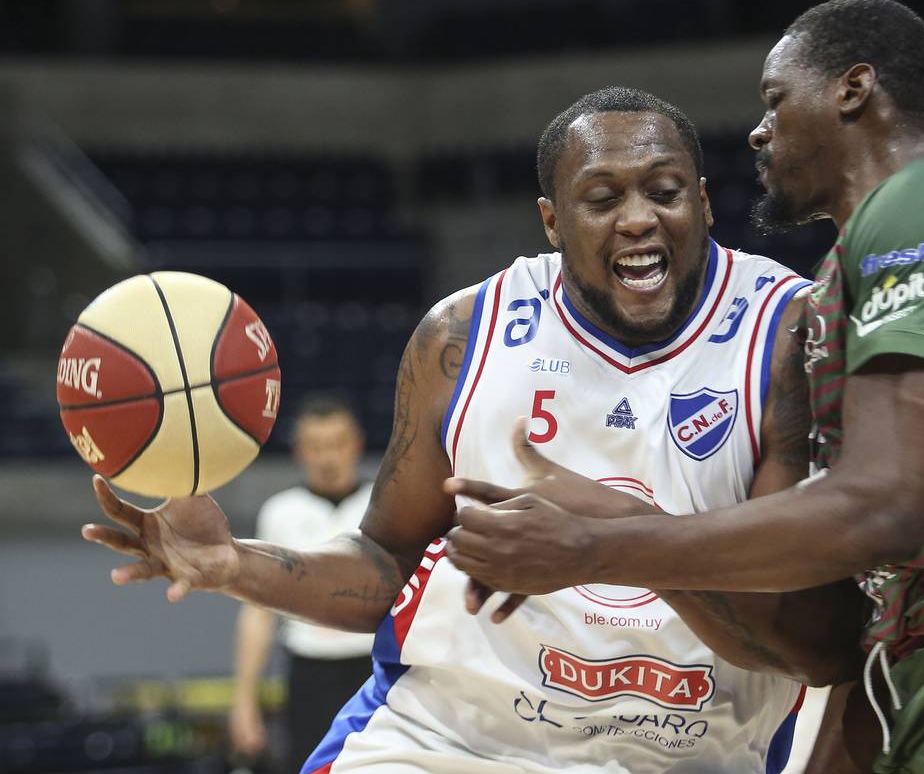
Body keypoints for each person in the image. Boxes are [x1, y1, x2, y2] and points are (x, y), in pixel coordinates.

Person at [443, 0, 924, 774]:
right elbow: (839, 600)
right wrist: (619, 524)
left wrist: (596, 546)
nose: (758, 131)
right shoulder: (833, 290)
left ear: (853, 89)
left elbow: (880, 508)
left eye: (775, 101)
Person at [82, 87, 868, 773]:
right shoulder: (463, 336)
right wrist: (231, 564)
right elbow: (384, 563)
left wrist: (615, 541)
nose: (638, 220)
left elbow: (807, 640)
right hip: (451, 740)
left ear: (703, 199)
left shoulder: (785, 333)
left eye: (664, 191)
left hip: (687, 750)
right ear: (552, 221)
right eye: (602, 199)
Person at [229, 396, 374, 774]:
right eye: (317, 446)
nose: (328, 457)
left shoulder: (384, 506)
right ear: (300, 451)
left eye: (337, 444)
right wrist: (245, 701)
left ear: (356, 445)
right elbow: (258, 612)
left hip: (376, 669)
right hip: (310, 671)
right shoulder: (281, 512)